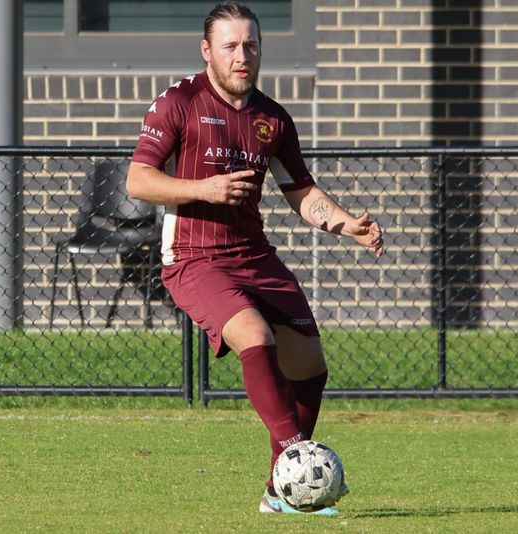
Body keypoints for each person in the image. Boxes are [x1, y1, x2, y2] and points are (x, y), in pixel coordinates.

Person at [126, 2, 383, 516]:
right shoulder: (178, 102)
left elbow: (300, 190)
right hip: (194, 257)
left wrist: (345, 223)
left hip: (254, 254)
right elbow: (138, 180)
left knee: (310, 366)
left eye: (251, 45)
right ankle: (299, 458)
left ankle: (279, 492)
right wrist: (206, 188)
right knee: (254, 335)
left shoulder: (272, 118)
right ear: (208, 51)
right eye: (230, 46)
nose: (242, 56)